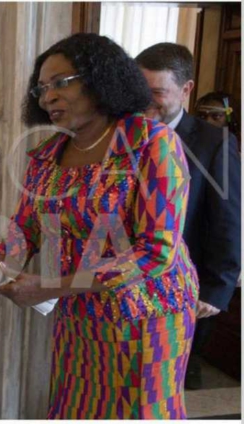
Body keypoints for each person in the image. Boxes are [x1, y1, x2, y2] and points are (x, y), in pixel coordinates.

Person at [0, 34, 198, 419]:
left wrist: (50, 287)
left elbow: (156, 252)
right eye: (42, 88)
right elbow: (25, 228)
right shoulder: (47, 155)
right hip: (81, 310)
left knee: (138, 412)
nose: (47, 97)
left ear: (100, 78)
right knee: (77, 406)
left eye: (60, 83)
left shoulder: (151, 142)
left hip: (147, 313)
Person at [136, 43, 241, 390]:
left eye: (157, 92)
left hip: (184, 288)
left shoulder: (214, 143)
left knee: (165, 384)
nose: (145, 101)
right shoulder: (122, 133)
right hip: (125, 285)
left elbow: (228, 219)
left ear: (186, 89)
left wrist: (217, 289)